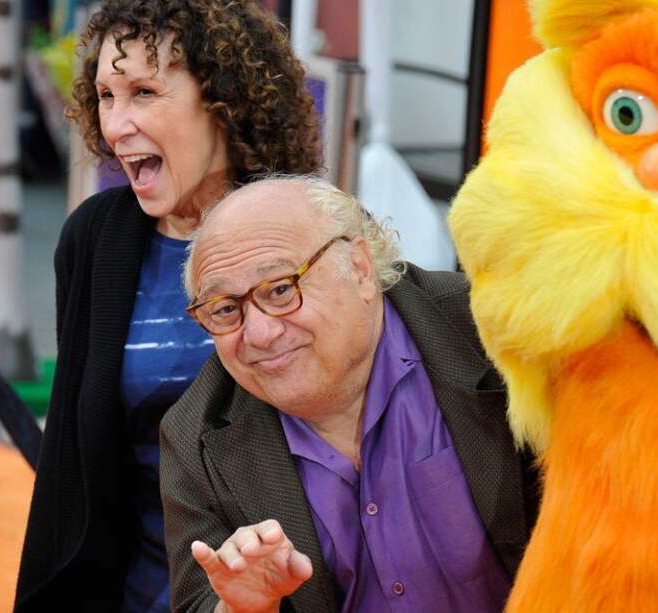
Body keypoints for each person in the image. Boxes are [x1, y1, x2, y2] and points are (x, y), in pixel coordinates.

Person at [15, 2, 322, 611]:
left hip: (287, 588)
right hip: (133, 592)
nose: (117, 124)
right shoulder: (94, 240)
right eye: (105, 95)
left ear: (222, 98)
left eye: (144, 91)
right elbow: (73, 465)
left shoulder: (314, 232)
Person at [160, 176, 539, 613]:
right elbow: (198, 604)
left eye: (281, 289)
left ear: (359, 268)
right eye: (226, 309)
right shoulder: (195, 436)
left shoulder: (494, 332)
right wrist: (243, 607)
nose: (260, 334)